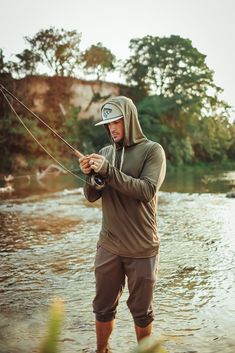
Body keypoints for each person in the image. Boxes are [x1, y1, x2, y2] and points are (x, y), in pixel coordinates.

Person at [79, 96, 166, 353]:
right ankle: (101, 350)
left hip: (142, 248)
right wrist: (89, 176)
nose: (112, 128)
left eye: (117, 121)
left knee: (142, 313)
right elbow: (92, 196)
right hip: (109, 245)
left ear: (129, 119)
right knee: (102, 308)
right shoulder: (105, 154)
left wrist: (107, 172)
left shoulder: (153, 151)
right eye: (108, 123)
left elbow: (146, 190)